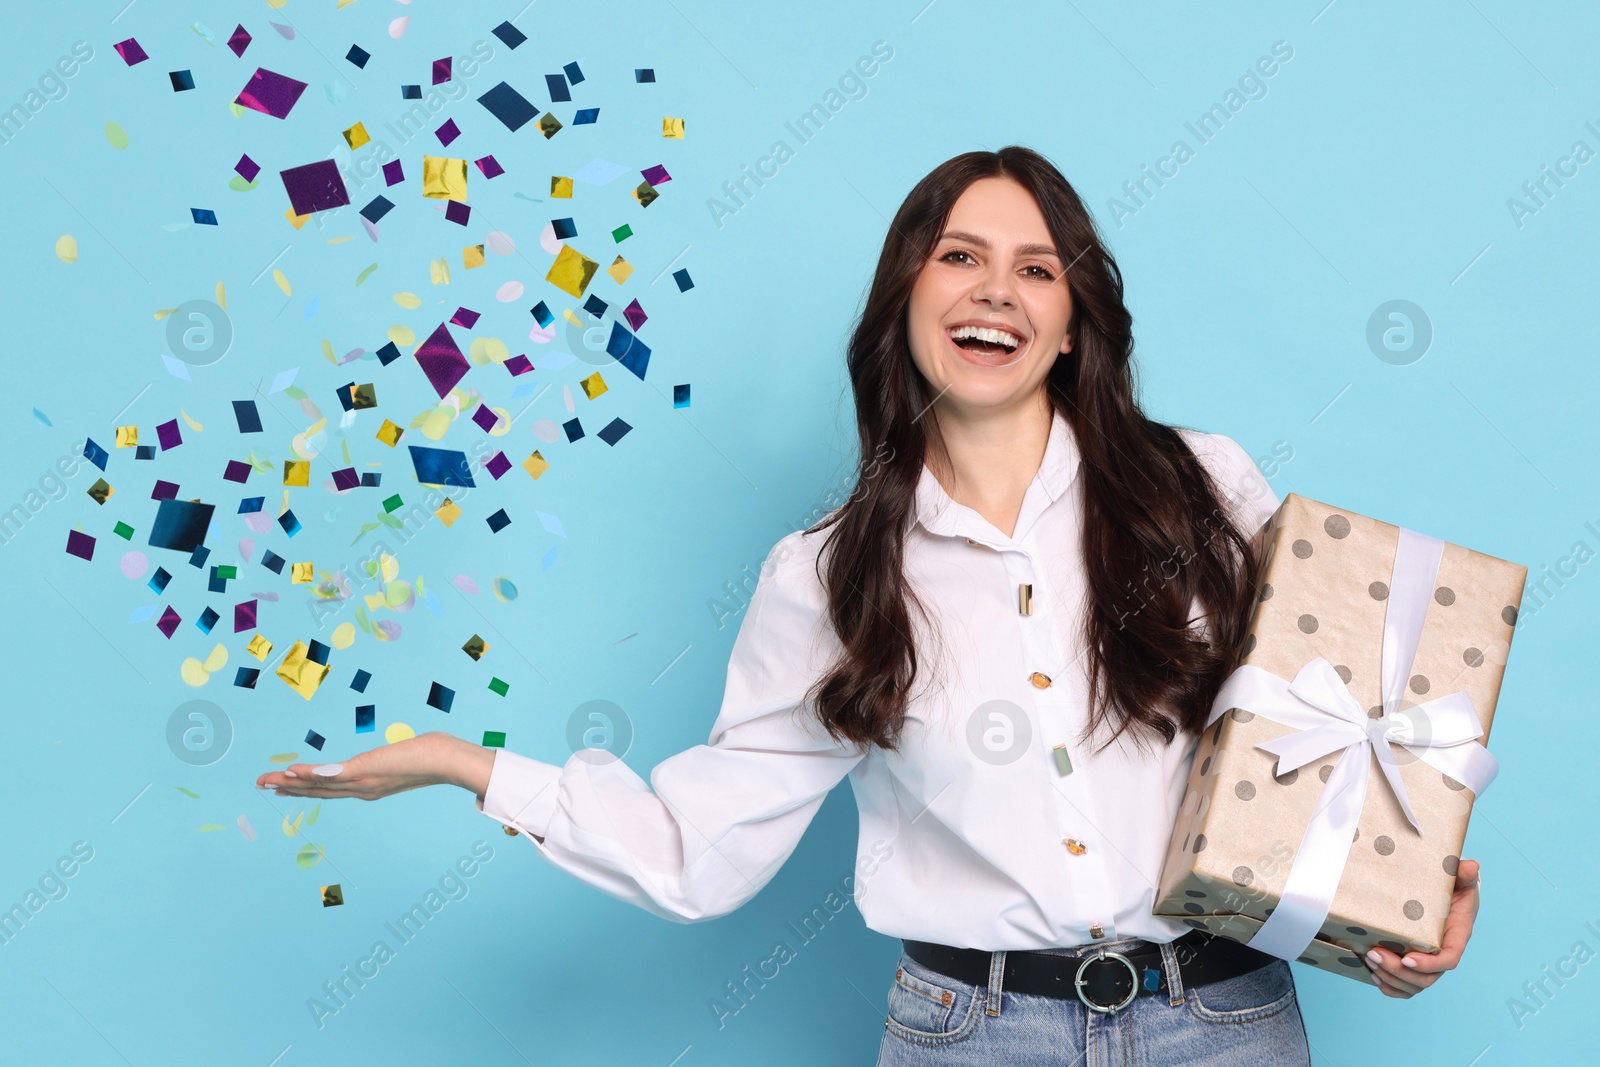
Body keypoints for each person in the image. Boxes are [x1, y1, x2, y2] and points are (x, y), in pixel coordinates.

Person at [258, 145, 1482, 1064]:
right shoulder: (827, 576)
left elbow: (1346, 717)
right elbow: (698, 849)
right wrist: (462, 764)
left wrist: (1410, 892)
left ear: (1070, 324)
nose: (993, 288)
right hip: (974, 1032)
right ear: (908, 296)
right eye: (958, 255)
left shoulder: (1201, 485)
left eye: (1034, 266)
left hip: (1224, 1020)